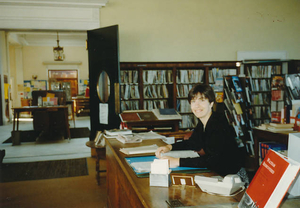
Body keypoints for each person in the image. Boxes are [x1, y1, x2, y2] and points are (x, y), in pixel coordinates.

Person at [155, 83, 248, 181]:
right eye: (193, 101)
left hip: (233, 178)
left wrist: (177, 161)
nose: (197, 105)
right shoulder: (203, 122)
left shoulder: (218, 124)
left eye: (202, 100)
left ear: (211, 103)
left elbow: (212, 160)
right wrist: (169, 147)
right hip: (219, 173)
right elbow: (193, 143)